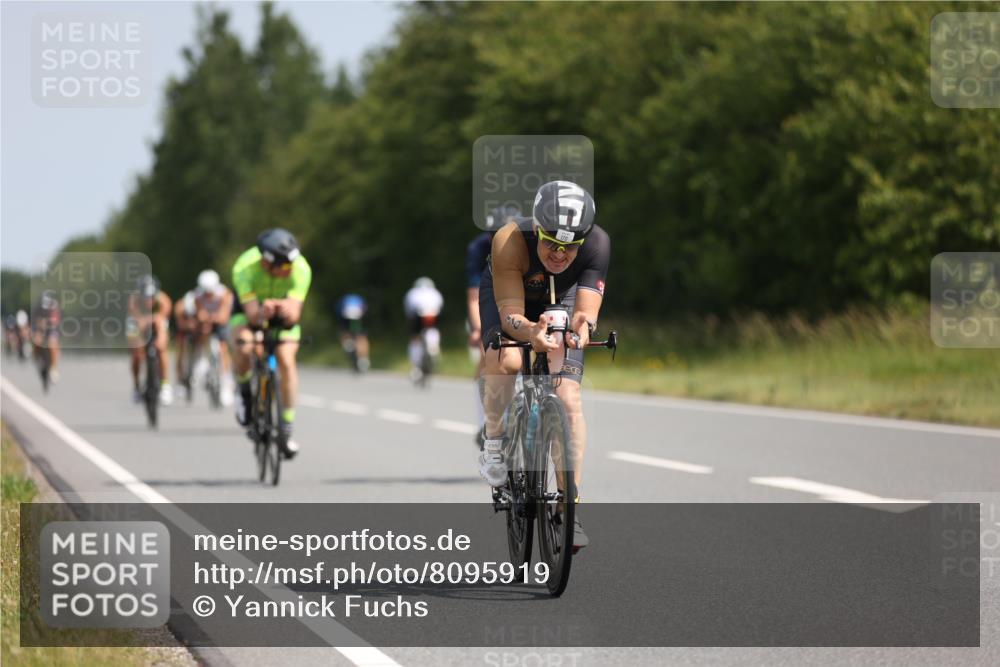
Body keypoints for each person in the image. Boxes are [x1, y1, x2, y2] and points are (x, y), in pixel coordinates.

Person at [477, 180, 610, 550]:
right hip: (512, 298)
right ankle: (494, 439)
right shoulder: (509, 239)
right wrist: (530, 331)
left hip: (561, 299)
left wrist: (582, 328)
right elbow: (511, 316)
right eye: (551, 243)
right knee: (507, 359)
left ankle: (568, 508)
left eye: (570, 248)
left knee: (568, 400)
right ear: (536, 227)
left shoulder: (597, 243)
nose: (559, 254)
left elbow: (585, 311)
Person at [230, 228, 312, 458]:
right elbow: (253, 316)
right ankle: (245, 393)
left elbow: (295, 315)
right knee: (245, 347)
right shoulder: (244, 268)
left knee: (286, 360)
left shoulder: (301, 268)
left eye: (291, 265)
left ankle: (286, 427)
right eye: (284, 266)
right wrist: (263, 311)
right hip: (249, 312)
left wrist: (286, 310)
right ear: (267, 263)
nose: (290, 270)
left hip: (282, 317)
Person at [467, 205, 520, 442]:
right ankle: (486, 423)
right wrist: (478, 328)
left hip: (520, 300)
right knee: (489, 356)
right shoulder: (479, 249)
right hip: (489, 301)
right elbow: (474, 295)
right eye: (493, 235)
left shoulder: (527, 242)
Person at [128, 275, 174, 405]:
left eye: (152, 297)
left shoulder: (164, 300)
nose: (149, 301)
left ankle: (165, 385)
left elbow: (162, 319)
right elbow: (135, 319)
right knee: (136, 352)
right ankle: (136, 387)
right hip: (138, 321)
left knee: (162, 348)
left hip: (157, 322)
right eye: (146, 298)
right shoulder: (134, 300)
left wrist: (160, 340)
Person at [193, 269, 235, 405]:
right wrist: (205, 317)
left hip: (221, 322)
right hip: (207, 322)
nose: (208, 295)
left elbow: (224, 316)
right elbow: (200, 314)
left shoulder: (224, 293)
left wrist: (210, 316)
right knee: (203, 330)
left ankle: (226, 380)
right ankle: (202, 358)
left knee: (223, 347)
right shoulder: (198, 295)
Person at [403, 277, 443, 384]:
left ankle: (416, 366)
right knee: (433, 329)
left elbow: (408, 310)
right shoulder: (435, 292)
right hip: (433, 315)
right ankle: (434, 348)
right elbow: (440, 307)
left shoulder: (411, 293)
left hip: (417, 316)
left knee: (415, 339)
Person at [173, 289, 199, 400]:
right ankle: (179, 379)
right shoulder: (180, 307)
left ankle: (198, 364)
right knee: (181, 349)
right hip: (183, 330)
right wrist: (188, 325)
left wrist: (196, 325)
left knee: (199, 342)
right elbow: (180, 323)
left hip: (197, 329)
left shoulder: (199, 304)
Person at [32, 290, 62, 383]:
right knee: (36, 341)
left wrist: (52, 323)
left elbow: (57, 320)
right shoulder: (38, 308)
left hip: (52, 330)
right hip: (40, 329)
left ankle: (53, 369)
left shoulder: (55, 307)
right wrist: (39, 325)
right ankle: (36, 358)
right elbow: (34, 320)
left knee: (53, 344)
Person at [336, 293, 370, 373]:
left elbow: (338, 316)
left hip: (349, 314)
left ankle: (348, 345)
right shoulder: (359, 300)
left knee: (346, 333)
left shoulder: (342, 301)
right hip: (357, 314)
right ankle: (364, 359)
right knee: (361, 337)